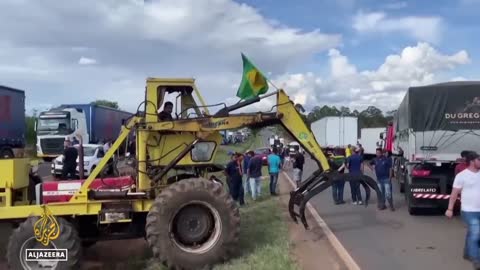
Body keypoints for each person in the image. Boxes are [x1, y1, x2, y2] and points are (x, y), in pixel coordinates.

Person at [446, 151, 480, 269]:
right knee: (476, 232)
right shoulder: (462, 176)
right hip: (468, 210)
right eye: (479, 159)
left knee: (473, 232)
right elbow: (454, 194)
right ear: (472, 161)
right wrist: (450, 209)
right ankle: (476, 259)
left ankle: (467, 252)